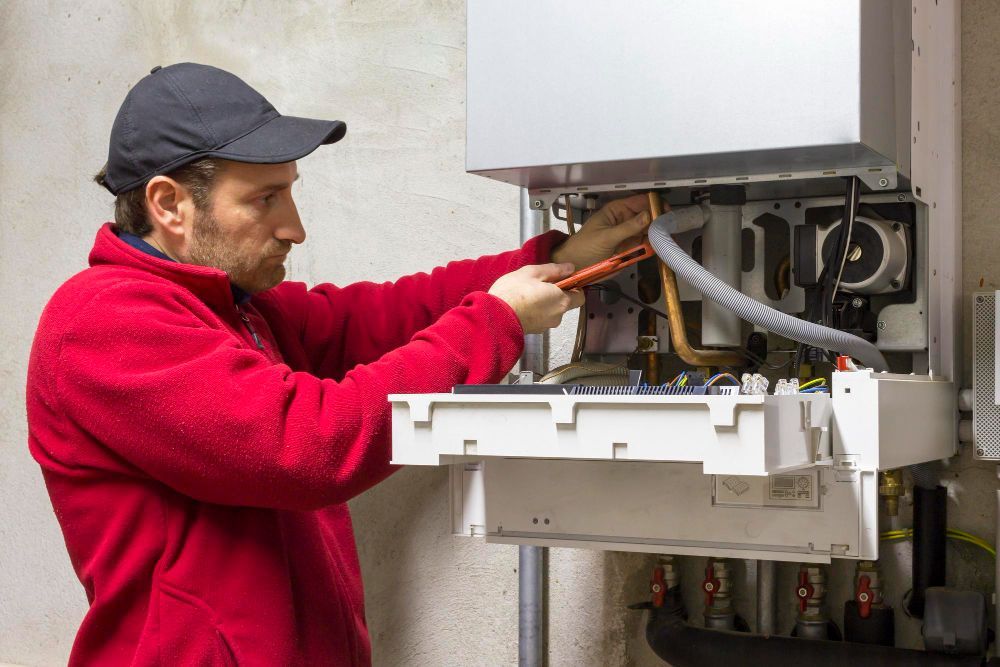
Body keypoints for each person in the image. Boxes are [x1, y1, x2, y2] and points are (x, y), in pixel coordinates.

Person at [26, 63, 651, 666]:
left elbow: (383, 315)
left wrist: (562, 256)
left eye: (289, 194)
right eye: (265, 199)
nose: (294, 228)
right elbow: (311, 446)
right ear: (168, 205)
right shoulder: (104, 322)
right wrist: (497, 320)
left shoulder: (236, 310)